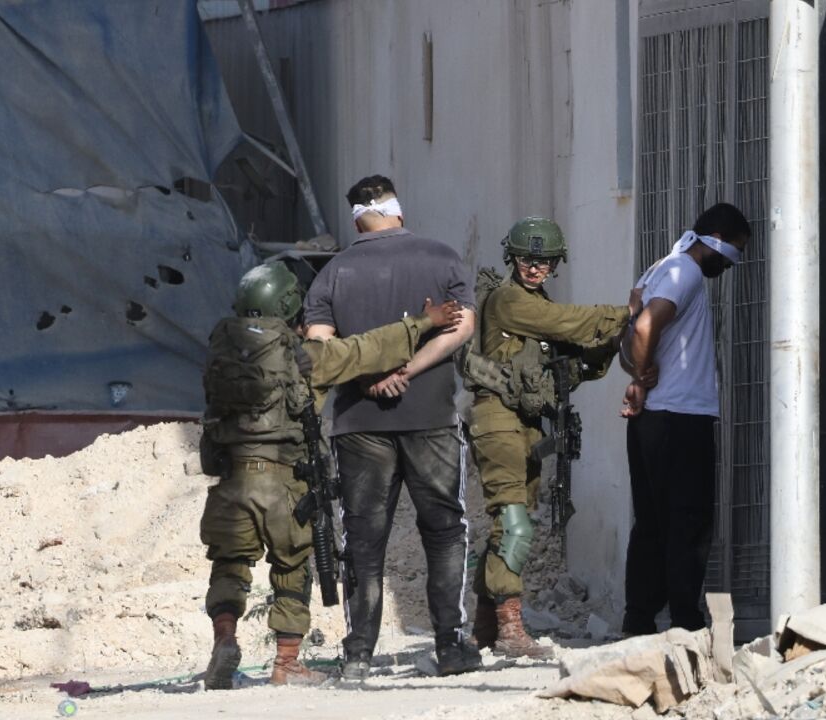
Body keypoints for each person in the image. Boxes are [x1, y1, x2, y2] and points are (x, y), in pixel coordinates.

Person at [200, 260, 463, 690]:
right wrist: (424, 321)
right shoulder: (303, 358)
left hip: (230, 481)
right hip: (283, 483)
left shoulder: (220, 353)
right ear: (288, 305)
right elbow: (370, 348)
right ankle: (286, 663)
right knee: (292, 568)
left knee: (229, 566)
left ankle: (224, 638)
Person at [303, 175, 481, 679]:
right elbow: (463, 326)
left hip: (358, 422)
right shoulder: (442, 257)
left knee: (363, 538)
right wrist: (408, 370)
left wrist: (372, 376)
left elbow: (319, 349)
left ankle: (358, 654)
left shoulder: (332, 273)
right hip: (431, 418)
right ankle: (450, 645)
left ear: (357, 217)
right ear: (397, 210)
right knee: (445, 531)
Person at [465, 217, 634, 657]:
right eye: (526, 258)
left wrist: (610, 342)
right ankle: (511, 632)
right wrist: (626, 314)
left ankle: (486, 628)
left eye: (544, 261)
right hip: (497, 418)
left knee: (510, 525)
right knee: (514, 524)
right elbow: (568, 323)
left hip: (525, 422)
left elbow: (575, 361)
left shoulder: (536, 305)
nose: (534, 268)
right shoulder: (509, 300)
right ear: (511, 258)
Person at [618, 202, 751, 635]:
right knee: (688, 521)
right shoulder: (685, 271)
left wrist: (639, 377)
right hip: (680, 418)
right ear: (715, 242)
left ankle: (639, 619)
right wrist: (641, 376)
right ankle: (685, 621)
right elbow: (642, 330)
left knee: (653, 522)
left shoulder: (659, 268)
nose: (732, 265)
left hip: (653, 420)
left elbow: (631, 328)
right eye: (734, 253)